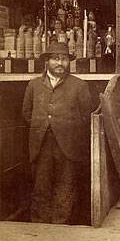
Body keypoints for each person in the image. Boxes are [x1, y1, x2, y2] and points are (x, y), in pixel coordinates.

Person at [22, 41, 94, 224]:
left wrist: (66, 129)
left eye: (63, 59)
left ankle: (60, 226)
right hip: (41, 144)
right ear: (47, 61)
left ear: (69, 62)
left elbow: (86, 116)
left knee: (66, 186)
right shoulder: (34, 85)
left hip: (68, 146)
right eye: (55, 59)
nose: (59, 63)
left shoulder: (79, 86)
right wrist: (45, 125)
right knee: (41, 186)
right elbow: (27, 113)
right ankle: (40, 226)